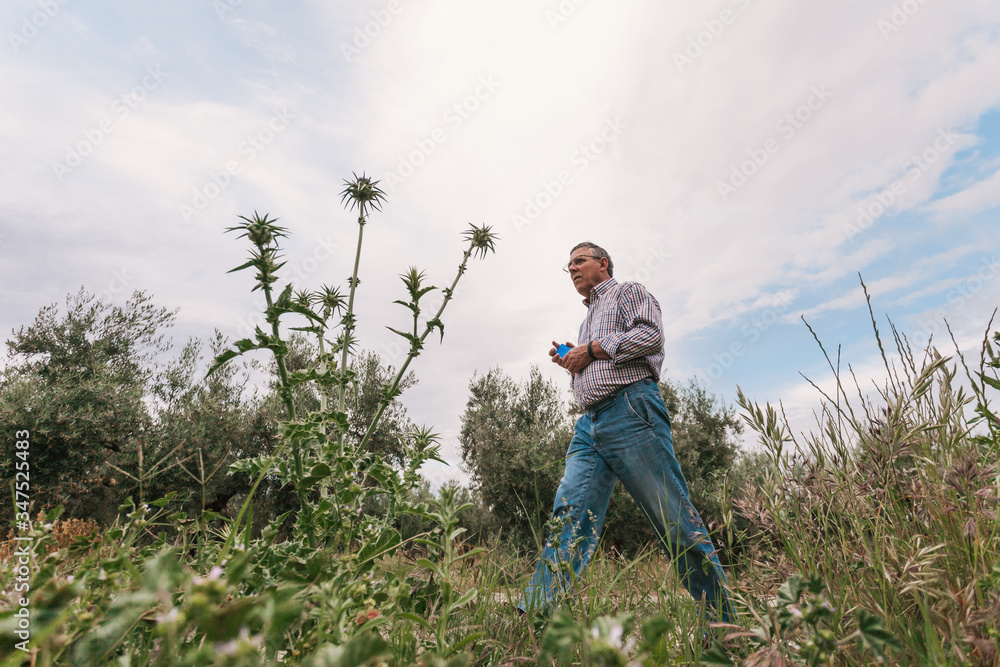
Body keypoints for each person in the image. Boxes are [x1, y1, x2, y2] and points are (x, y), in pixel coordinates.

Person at [519, 241, 735, 624]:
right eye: (567, 264)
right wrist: (574, 359)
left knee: (671, 515)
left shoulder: (627, 291)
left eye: (579, 261)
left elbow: (650, 337)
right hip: (590, 424)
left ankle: (725, 627)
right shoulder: (587, 321)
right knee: (569, 513)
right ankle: (537, 617)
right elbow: (598, 357)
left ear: (603, 264)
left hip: (630, 410)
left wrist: (593, 349)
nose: (571, 268)